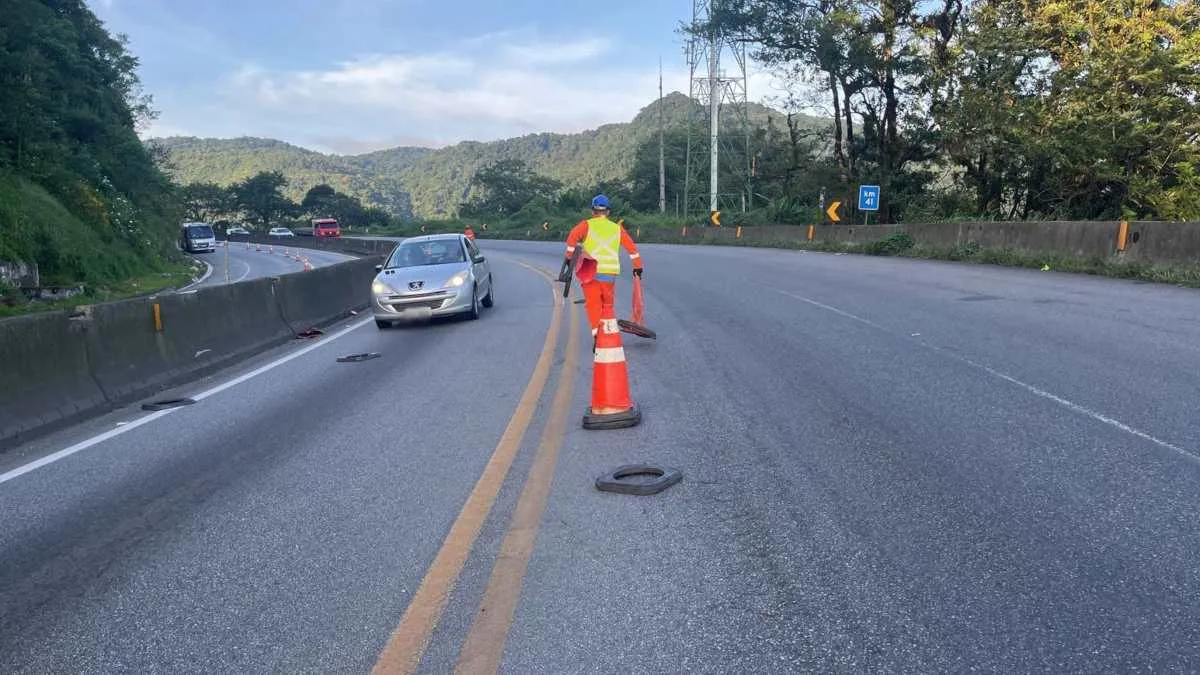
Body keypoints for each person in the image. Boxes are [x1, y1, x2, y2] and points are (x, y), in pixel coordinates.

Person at [561, 195, 643, 338]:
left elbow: (572, 239)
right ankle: (608, 334)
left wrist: (568, 258)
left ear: (593, 211)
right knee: (607, 305)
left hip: (589, 272)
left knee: (593, 305)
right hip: (609, 273)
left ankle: (597, 336)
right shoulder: (617, 228)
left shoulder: (586, 225)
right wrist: (637, 267)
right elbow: (632, 249)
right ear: (608, 212)